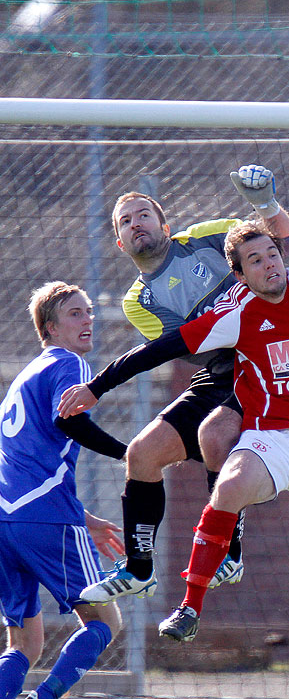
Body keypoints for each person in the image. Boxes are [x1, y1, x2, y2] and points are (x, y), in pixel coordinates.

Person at [57, 218, 289, 644]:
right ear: (240, 275)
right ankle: (190, 605)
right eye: (255, 260)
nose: (269, 265)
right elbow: (160, 349)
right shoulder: (235, 311)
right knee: (228, 483)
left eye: (272, 255)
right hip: (274, 440)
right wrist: (96, 388)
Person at [78, 165, 289, 604]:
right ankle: (139, 569)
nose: (135, 223)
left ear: (165, 225)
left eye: (143, 214)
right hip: (218, 369)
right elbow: (190, 345)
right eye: (125, 221)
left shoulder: (209, 237)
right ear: (120, 244)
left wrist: (266, 205)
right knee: (141, 454)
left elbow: (280, 244)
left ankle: (228, 553)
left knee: (215, 434)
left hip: (264, 361)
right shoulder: (137, 301)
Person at [0, 281, 128, 699]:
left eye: (89, 311)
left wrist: (84, 517)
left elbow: (26, 457)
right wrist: (130, 453)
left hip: (6, 519)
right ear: (50, 328)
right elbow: (69, 420)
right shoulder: (68, 364)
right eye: (76, 313)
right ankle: (45, 697)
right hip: (45, 516)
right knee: (106, 622)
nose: (88, 319)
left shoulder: (26, 375)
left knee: (25, 645)